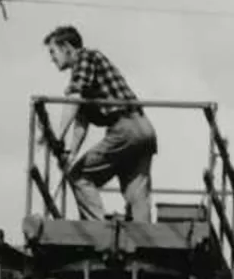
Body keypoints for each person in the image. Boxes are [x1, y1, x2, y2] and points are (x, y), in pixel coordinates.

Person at [43, 25, 159, 224]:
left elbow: (74, 98)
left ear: (67, 47)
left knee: (79, 176)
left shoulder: (85, 58)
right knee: (136, 193)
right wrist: (72, 154)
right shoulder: (91, 68)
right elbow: (82, 119)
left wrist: (57, 137)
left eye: (53, 52)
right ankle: (144, 242)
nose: (52, 58)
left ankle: (98, 232)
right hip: (144, 130)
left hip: (126, 128)